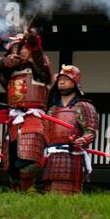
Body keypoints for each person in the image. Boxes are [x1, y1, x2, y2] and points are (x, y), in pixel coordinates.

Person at [0, 26, 53, 192]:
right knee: (12, 167)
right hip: (14, 121)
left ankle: (28, 193)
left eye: (23, 49)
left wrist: (33, 42)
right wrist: (5, 61)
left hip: (33, 119)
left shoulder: (39, 70)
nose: (21, 52)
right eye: (17, 50)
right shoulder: (8, 75)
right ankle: (18, 196)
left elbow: (39, 57)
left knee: (28, 164)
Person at [41, 64, 98, 194]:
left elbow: (91, 131)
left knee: (71, 191)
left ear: (75, 82)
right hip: (52, 157)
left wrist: (83, 140)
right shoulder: (52, 109)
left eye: (66, 79)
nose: (61, 82)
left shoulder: (84, 106)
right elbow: (45, 131)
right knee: (50, 192)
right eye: (60, 79)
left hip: (73, 156)